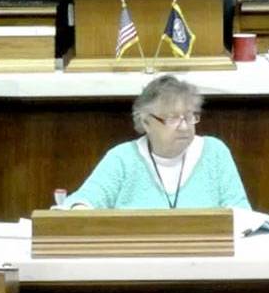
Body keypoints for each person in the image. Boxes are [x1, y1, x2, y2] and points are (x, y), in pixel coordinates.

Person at [61, 74, 251, 210]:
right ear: (146, 122)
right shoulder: (123, 158)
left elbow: (242, 214)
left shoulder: (215, 152)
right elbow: (85, 200)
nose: (184, 127)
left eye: (189, 116)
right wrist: (80, 210)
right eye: (172, 119)